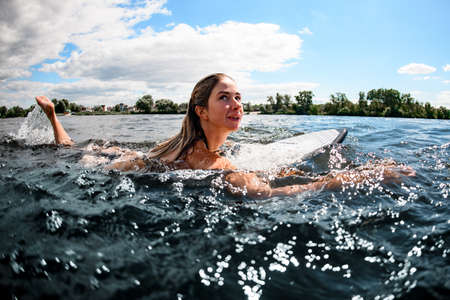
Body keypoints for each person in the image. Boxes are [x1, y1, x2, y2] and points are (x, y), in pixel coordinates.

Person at [35, 73, 415, 199]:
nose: (236, 104)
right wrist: (355, 176)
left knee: (83, 149)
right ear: (201, 111)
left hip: (121, 161)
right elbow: (269, 194)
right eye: (224, 98)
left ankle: (55, 119)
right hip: (118, 172)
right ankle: (56, 120)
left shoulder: (183, 143)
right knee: (85, 153)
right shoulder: (211, 161)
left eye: (238, 97)